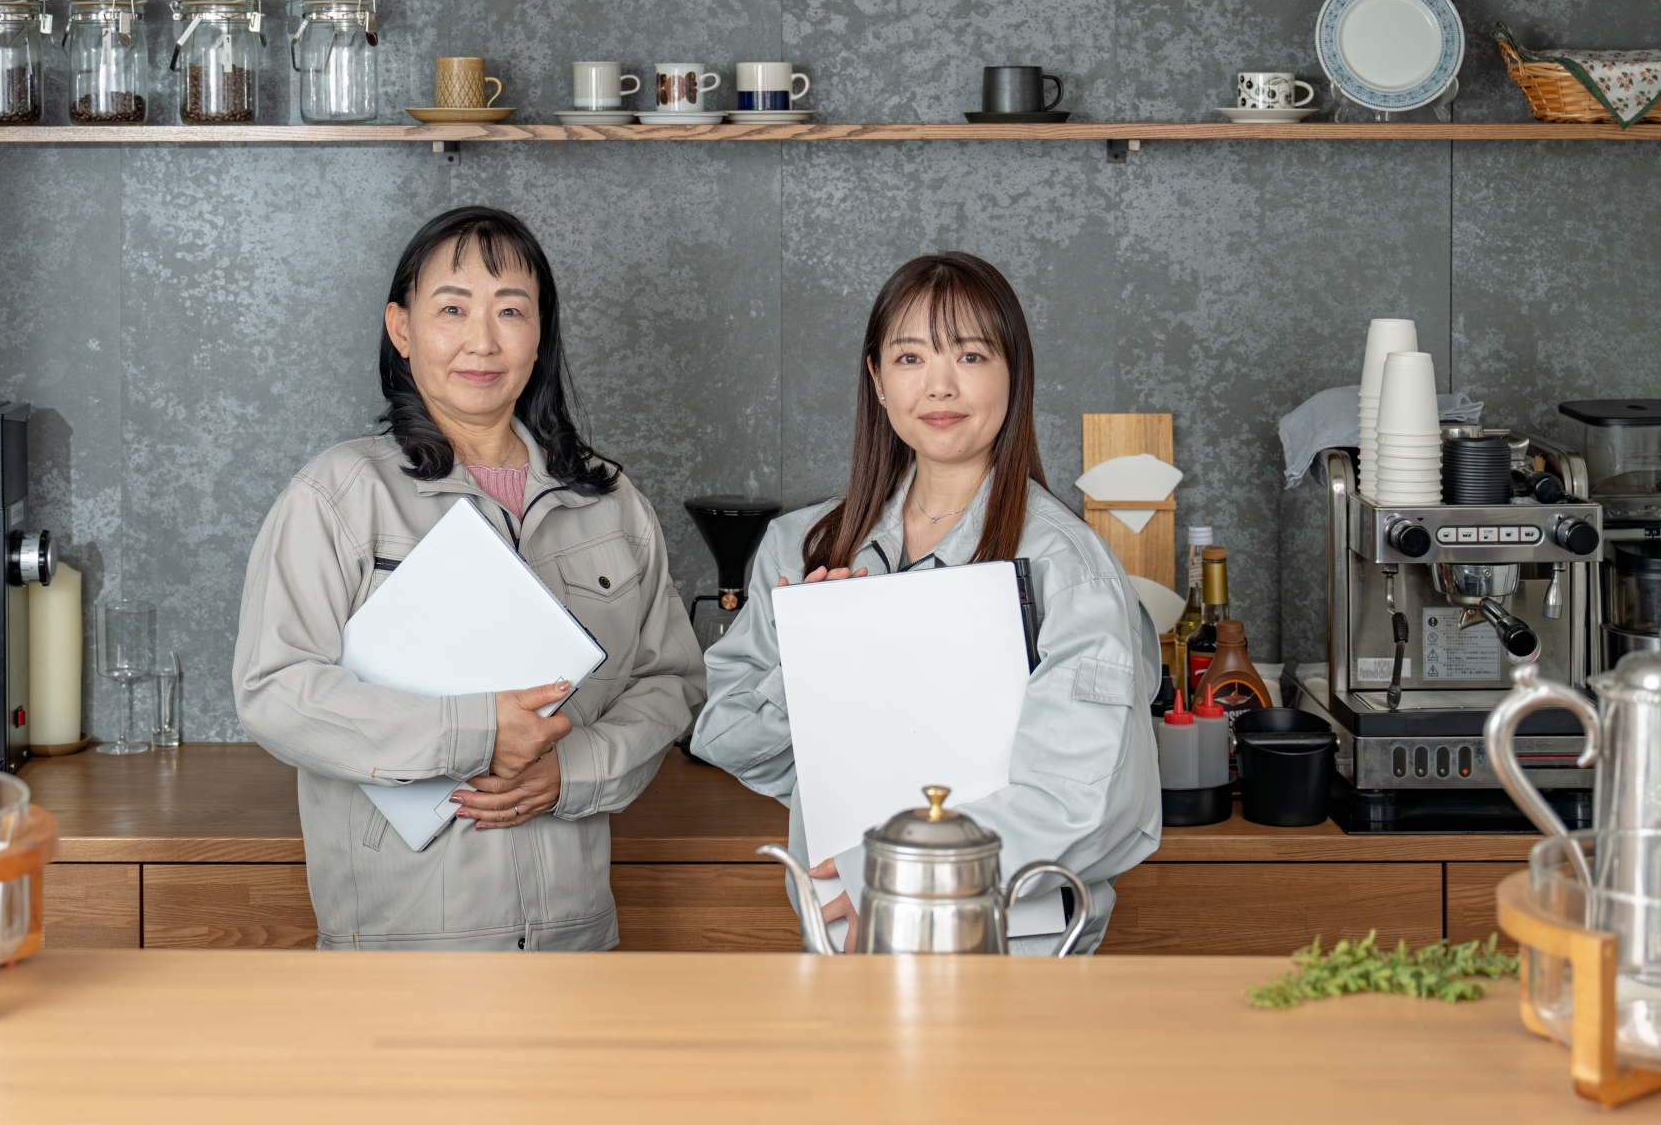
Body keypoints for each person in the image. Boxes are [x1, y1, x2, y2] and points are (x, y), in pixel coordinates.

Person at [234, 206, 705, 951]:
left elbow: (669, 682)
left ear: (540, 333)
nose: (482, 341)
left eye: (510, 310)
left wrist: (573, 771)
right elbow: (275, 690)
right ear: (401, 329)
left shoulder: (609, 502)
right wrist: (476, 733)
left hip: (576, 941)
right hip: (401, 944)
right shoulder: (339, 495)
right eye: (452, 309)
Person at [690, 252, 1161, 954]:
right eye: (910, 357)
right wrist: (818, 663)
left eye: (970, 355)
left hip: (1011, 955)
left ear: (1014, 373)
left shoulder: (1067, 567)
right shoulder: (804, 547)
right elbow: (730, 738)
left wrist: (894, 882)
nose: (940, 385)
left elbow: (1087, 798)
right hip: (843, 947)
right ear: (877, 380)